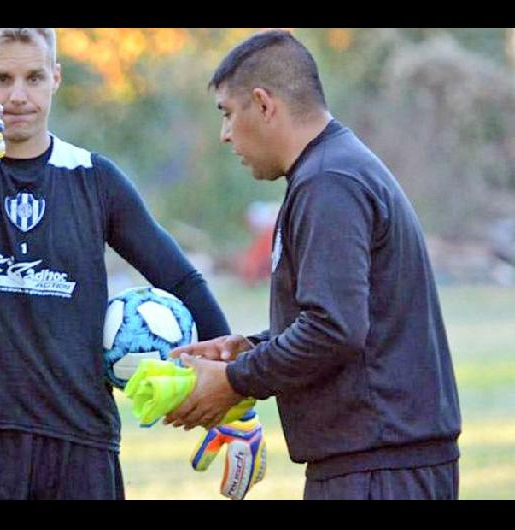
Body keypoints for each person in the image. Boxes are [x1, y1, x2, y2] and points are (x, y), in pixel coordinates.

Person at [0, 28, 232, 500]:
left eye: (34, 77)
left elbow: (180, 278)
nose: (18, 95)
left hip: (80, 448)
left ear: (56, 78)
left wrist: (235, 395)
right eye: (1, 78)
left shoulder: (94, 178)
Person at [165, 29, 462, 500]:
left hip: (378, 472)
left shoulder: (329, 183)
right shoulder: (327, 173)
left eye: (226, 113)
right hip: (372, 466)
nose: (224, 134)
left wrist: (236, 381)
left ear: (263, 104)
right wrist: (248, 349)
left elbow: (334, 329)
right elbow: (343, 321)